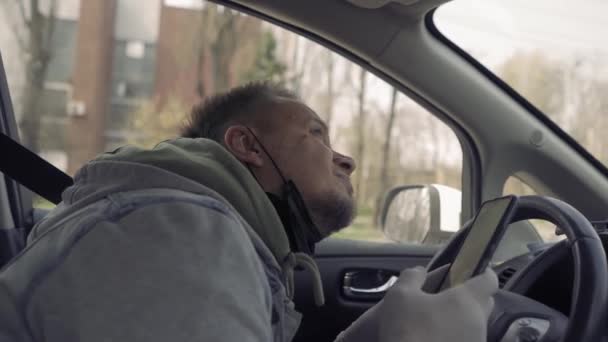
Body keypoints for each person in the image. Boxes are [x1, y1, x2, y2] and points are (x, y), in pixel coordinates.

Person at [0, 82, 497, 342]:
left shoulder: (192, 230)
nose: (346, 158)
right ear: (246, 145)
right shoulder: (185, 238)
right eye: (316, 134)